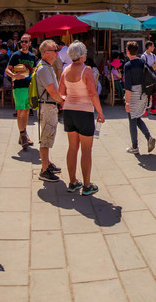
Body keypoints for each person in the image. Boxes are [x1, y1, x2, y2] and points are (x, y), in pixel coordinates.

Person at [59, 41, 105, 197]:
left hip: (69, 111)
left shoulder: (65, 70)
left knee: (72, 148)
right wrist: (100, 112)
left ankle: (72, 182)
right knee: (86, 150)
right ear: (81, 55)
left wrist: (67, 100)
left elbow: (61, 92)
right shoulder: (87, 70)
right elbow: (92, 93)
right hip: (84, 112)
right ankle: (86, 185)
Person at [32, 40, 64, 183]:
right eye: (54, 50)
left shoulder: (46, 66)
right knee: (45, 138)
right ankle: (44, 170)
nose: (57, 52)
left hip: (49, 106)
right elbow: (51, 90)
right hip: (46, 106)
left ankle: (47, 163)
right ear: (46, 53)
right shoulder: (44, 69)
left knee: (48, 136)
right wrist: (62, 101)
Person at [119, 41, 156, 154]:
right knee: (136, 118)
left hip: (133, 94)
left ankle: (134, 147)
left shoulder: (128, 66)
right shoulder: (142, 62)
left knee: (132, 119)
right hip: (143, 93)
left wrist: (127, 103)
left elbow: (128, 87)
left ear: (127, 51)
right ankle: (149, 137)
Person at [6, 36, 36, 149]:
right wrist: (13, 76)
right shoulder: (16, 55)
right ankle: (23, 135)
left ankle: (23, 134)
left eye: (25, 41)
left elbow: (33, 71)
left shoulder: (32, 56)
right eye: (22, 41)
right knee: (20, 111)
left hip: (29, 87)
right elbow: (7, 69)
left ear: (29, 43)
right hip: (19, 87)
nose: (23, 43)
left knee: (27, 111)